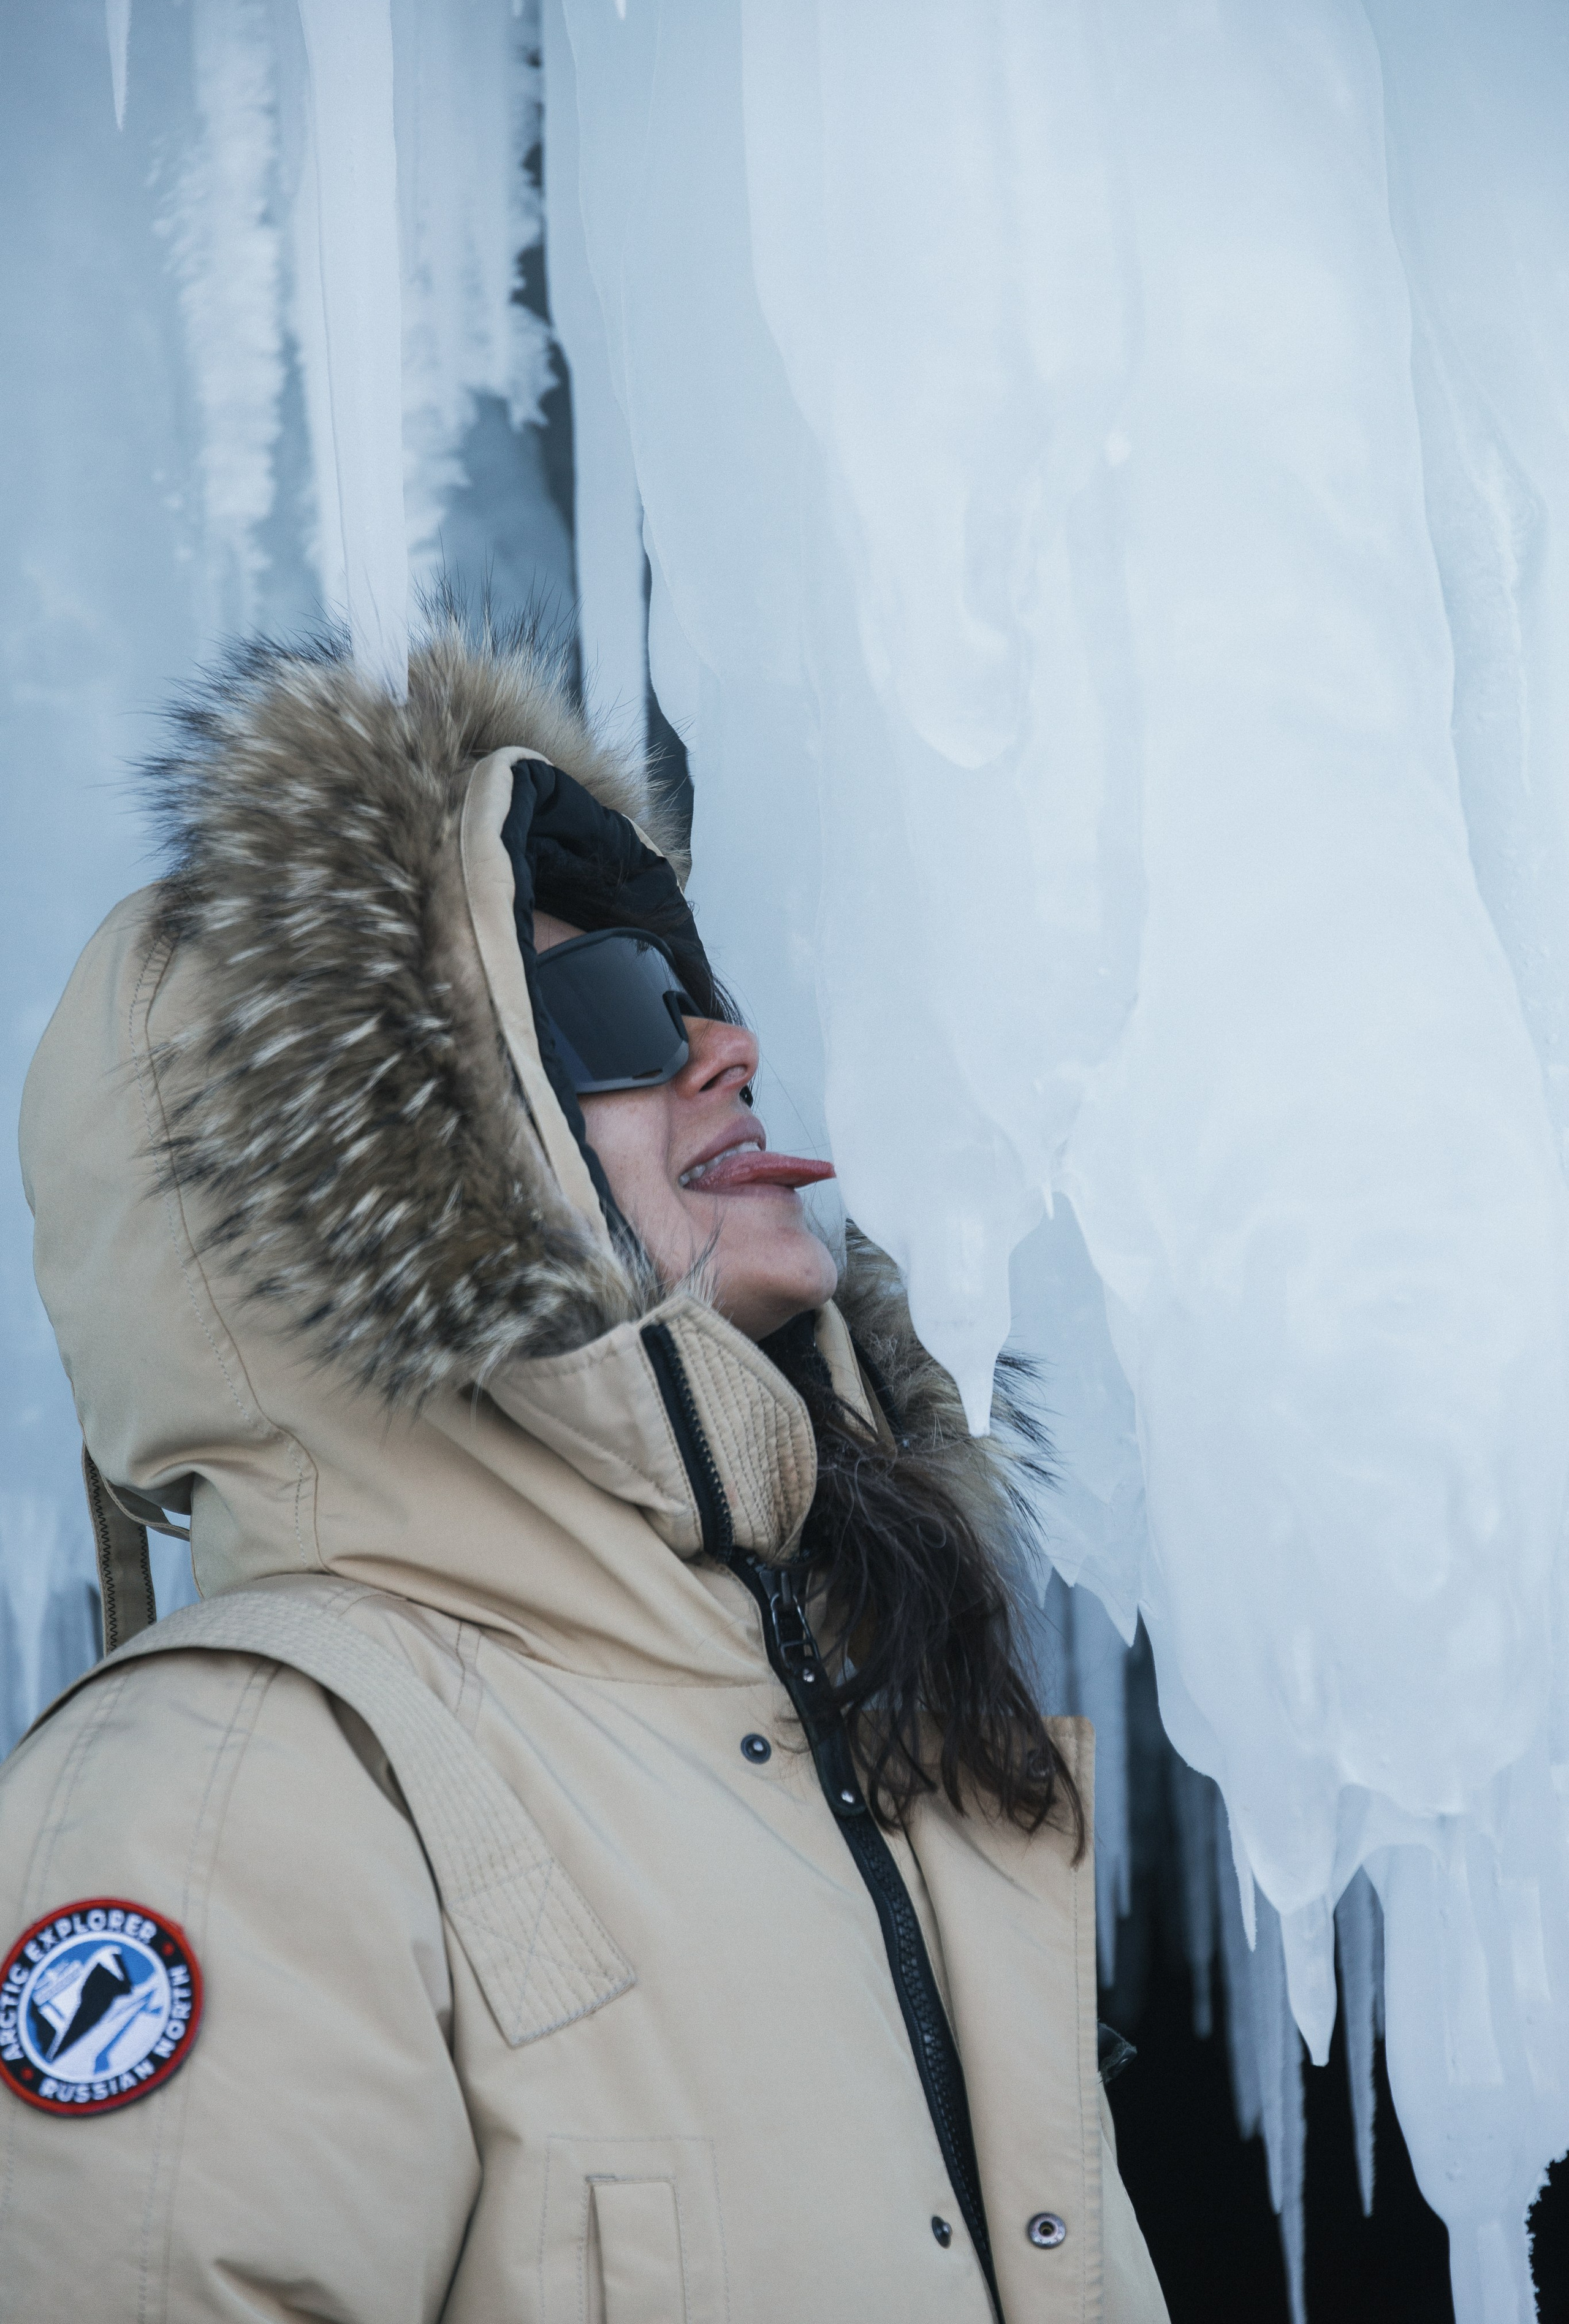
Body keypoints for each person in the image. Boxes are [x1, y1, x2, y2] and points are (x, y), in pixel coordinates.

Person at [0, 622, 1168, 2323]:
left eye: (704, 994)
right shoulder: (243, 1775)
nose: (726, 1049)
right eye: (613, 1012)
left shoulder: (868, 1736)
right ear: (397, 1173)